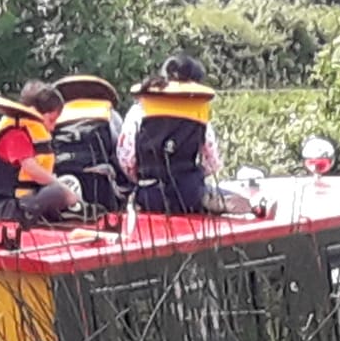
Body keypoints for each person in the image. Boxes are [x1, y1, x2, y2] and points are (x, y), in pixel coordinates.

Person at [116, 55, 265, 218]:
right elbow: (213, 163)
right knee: (220, 195)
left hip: (150, 194)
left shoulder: (138, 111)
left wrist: (142, 177)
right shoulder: (198, 112)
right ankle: (248, 204)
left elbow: (126, 159)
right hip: (190, 194)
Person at [0, 82, 78, 227]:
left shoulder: (27, 131)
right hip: (10, 208)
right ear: (37, 112)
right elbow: (30, 168)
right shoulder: (16, 133)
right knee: (58, 191)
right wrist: (63, 190)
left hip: (20, 201)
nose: (52, 128)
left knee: (65, 184)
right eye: (51, 120)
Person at [48, 75, 129, 212]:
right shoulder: (108, 113)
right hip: (99, 184)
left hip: (61, 183)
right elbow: (121, 151)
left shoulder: (55, 116)